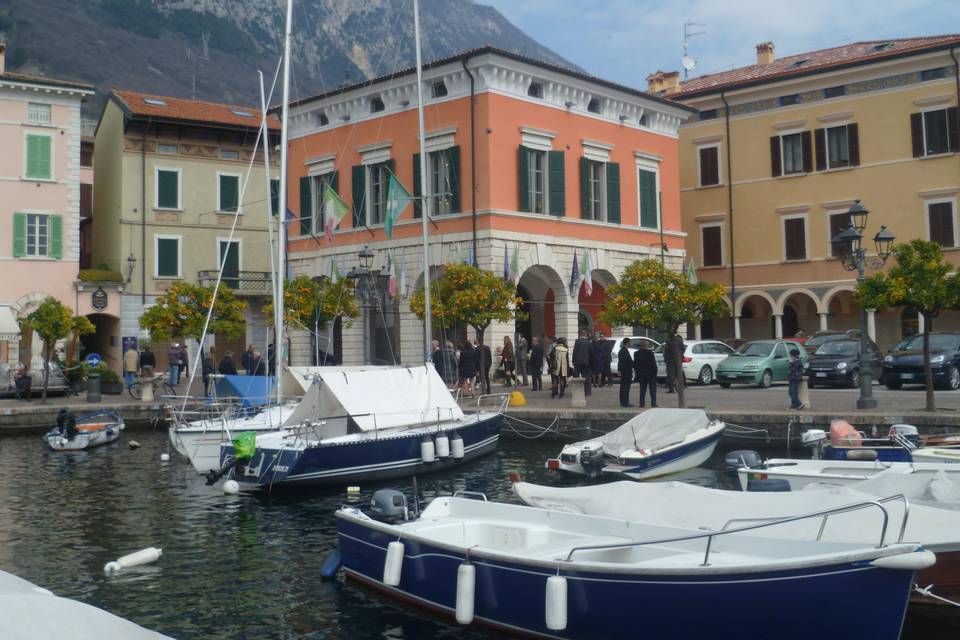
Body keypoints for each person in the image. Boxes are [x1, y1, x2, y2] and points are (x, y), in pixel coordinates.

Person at [634, 341, 658, 408]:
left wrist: (637, 373)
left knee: (642, 389)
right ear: (646, 345)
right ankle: (653, 403)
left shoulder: (636, 353)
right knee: (652, 389)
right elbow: (653, 364)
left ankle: (642, 403)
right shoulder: (650, 353)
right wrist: (655, 373)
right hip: (651, 374)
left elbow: (635, 365)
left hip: (641, 374)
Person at [571, 330, 592, 396]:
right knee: (586, 377)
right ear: (585, 335)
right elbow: (591, 353)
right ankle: (587, 392)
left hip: (577, 362)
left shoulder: (577, 341)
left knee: (576, 377)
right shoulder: (588, 342)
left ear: (580, 335)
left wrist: (573, 360)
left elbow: (574, 351)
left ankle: (577, 391)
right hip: (586, 362)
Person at [617, 337, 633, 407]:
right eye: (630, 342)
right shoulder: (623, 351)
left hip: (625, 371)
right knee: (625, 387)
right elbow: (622, 362)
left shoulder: (623, 350)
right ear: (627, 343)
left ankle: (623, 401)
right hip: (626, 372)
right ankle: (625, 402)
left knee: (624, 387)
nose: (630, 344)